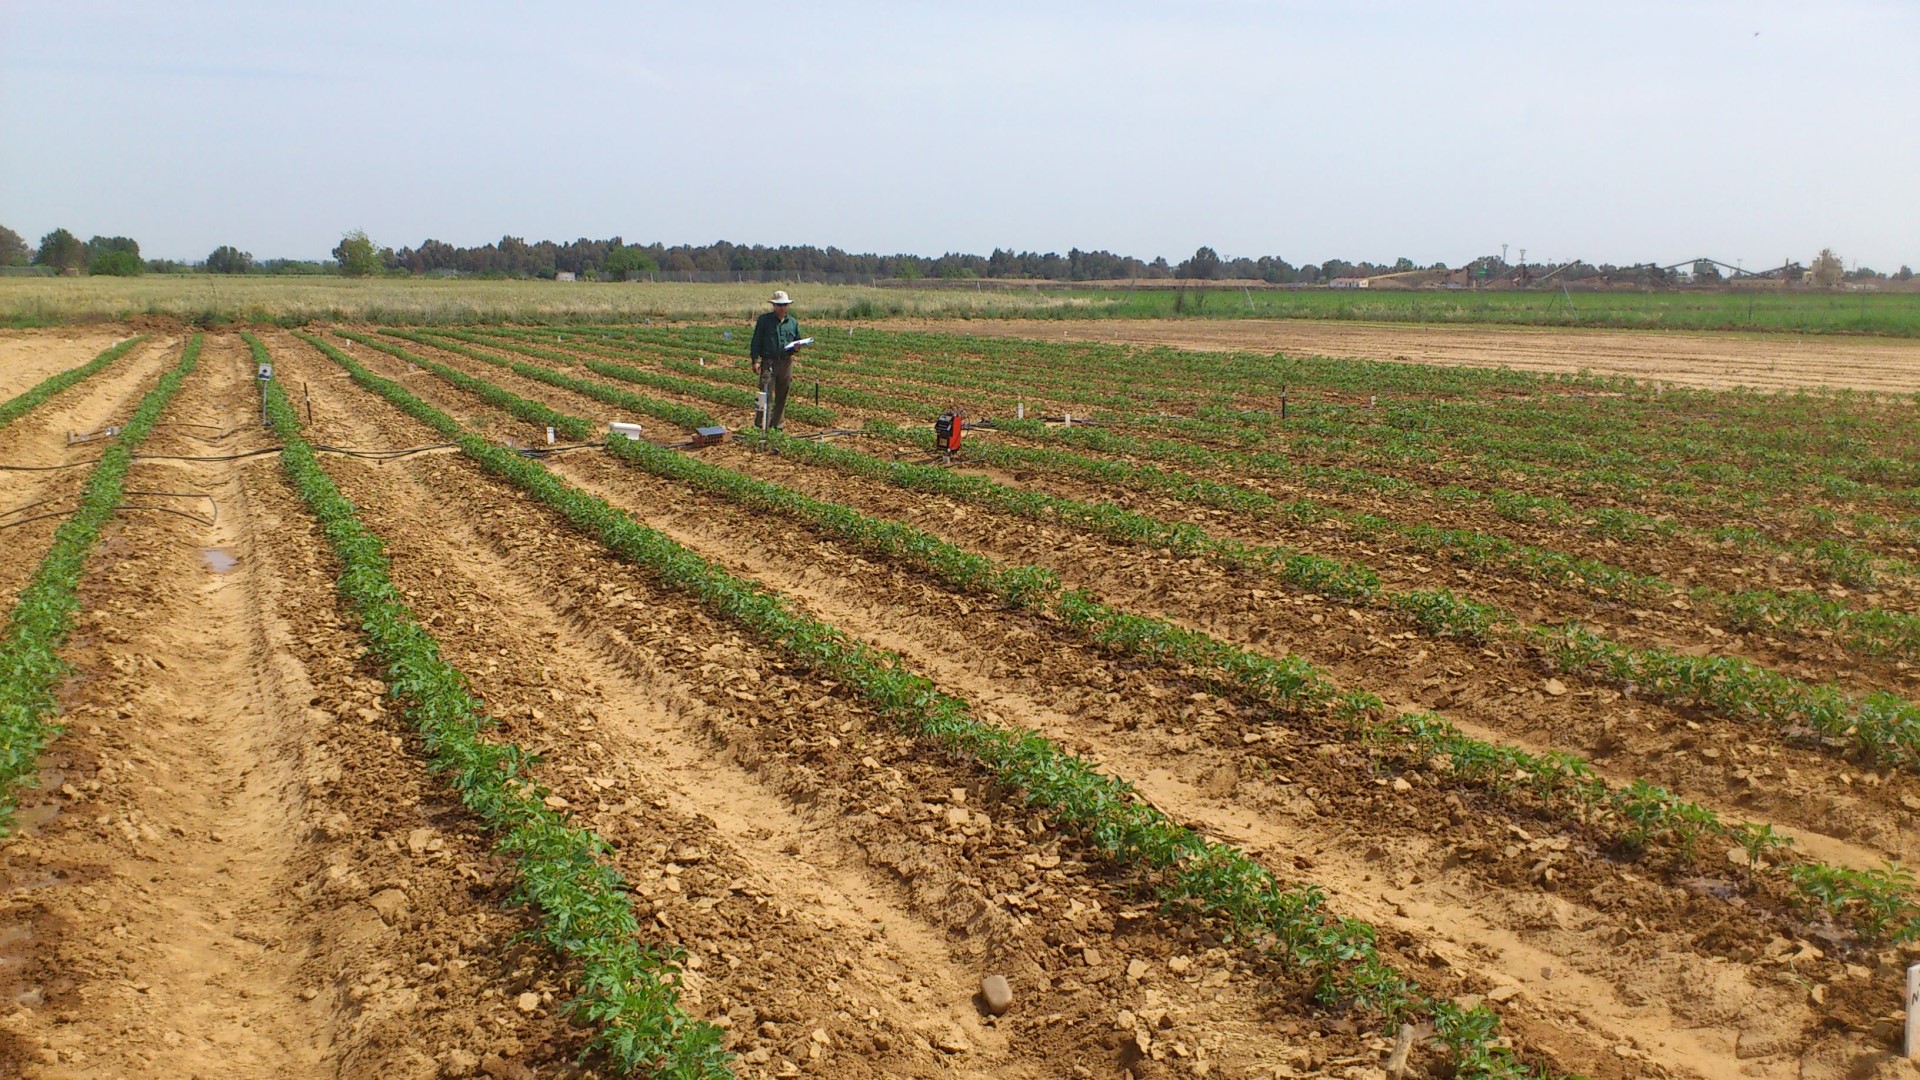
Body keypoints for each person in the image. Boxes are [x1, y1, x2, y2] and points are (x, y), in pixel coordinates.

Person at [749, 290, 802, 429]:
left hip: (786, 362)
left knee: (782, 395)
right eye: (779, 305)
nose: (782, 307)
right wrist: (755, 360)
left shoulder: (793, 323)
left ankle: (777, 425)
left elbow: (797, 341)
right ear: (773, 306)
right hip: (769, 362)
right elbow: (756, 341)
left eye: (784, 305)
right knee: (766, 395)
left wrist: (796, 348)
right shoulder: (764, 321)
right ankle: (761, 425)